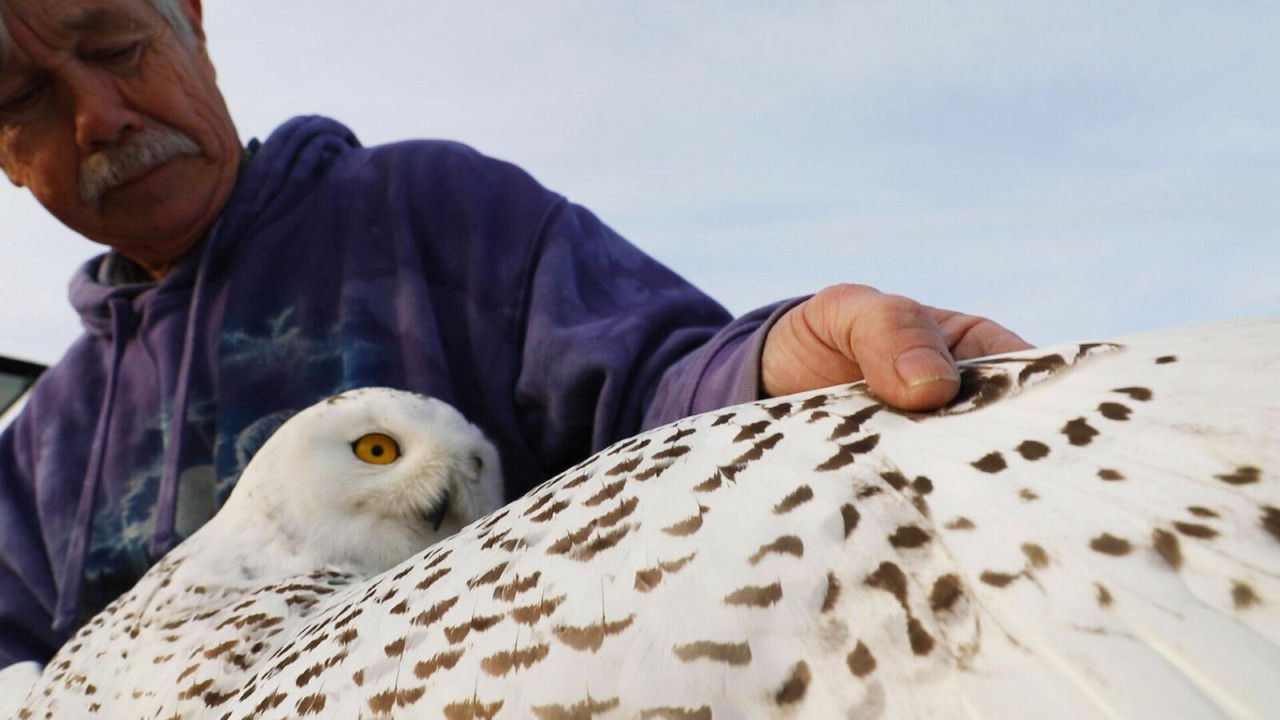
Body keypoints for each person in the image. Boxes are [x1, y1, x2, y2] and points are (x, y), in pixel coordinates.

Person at [0, 0, 1029, 668]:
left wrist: (767, 370)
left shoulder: (425, 208)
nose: (99, 115)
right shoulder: (43, 442)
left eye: (115, 47)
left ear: (191, 22)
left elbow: (648, 391)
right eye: (24, 95)